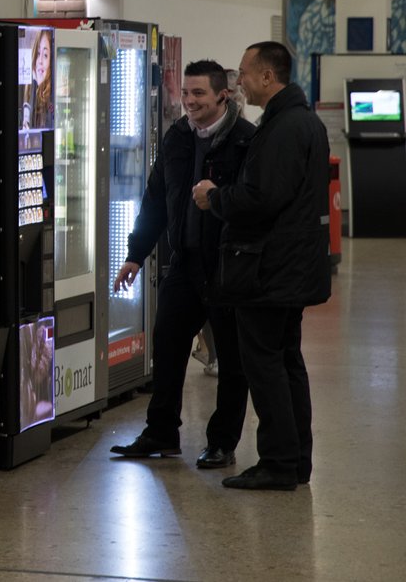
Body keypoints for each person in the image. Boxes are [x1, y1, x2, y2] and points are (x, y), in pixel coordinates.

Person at [193, 41, 331, 491]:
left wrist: (215, 197)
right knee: (286, 361)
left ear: (268, 77)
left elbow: (262, 198)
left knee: (266, 365)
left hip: (268, 270)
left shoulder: (283, 127)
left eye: (245, 74)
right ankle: (294, 460)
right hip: (289, 267)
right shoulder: (300, 121)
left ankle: (276, 461)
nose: (240, 82)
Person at [109, 60, 254, 469]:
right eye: (185, 94)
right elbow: (155, 199)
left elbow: (254, 205)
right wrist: (136, 254)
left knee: (232, 358)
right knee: (168, 344)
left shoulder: (246, 141)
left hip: (228, 268)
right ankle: (161, 432)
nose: (189, 102)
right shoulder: (176, 138)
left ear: (222, 96)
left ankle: (222, 442)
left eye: (199, 95)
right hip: (184, 264)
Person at [22, 29, 54, 130]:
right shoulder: (30, 89)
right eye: (38, 53)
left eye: (45, 55)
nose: (40, 61)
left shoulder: (51, 96)